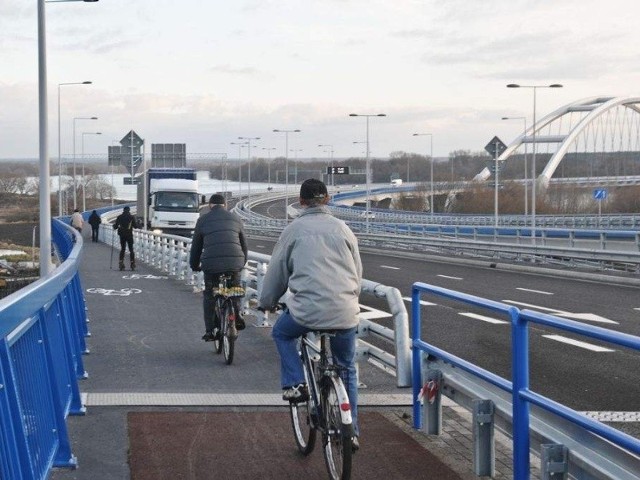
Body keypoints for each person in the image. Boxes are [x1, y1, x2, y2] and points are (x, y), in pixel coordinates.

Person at [259, 178, 363, 450]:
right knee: (347, 368)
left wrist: (267, 301)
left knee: (281, 333)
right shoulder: (344, 229)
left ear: (302, 202)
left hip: (306, 313)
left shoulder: (293, 230)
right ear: (327, 200)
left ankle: (295, 383)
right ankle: (351, 431)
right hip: (344, 312)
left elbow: (277, 272)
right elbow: (357, 272)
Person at [189, 194, 248, 342]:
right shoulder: (236, 219)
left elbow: (196, 247)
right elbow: (244, 246)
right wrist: (241, 263)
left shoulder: (202, 220)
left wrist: (194, 265)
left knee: (210, 294)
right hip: (235, 262)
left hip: (211, 264)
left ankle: (210, 331)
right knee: (235, 289)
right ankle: (238, 313)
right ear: (225, 205)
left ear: (210, 205)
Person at [113, 206, 136, 271]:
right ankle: (132, 263)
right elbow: (135, 226)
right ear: (129, 210)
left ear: (123, 210)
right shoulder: (131, 217)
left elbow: (115, 226)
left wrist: (114, 226)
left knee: (122, 249)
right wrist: (139, 224)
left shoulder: (119, 217)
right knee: (131, 249)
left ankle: (121, 262)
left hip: (122, 235)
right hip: (129, 235)